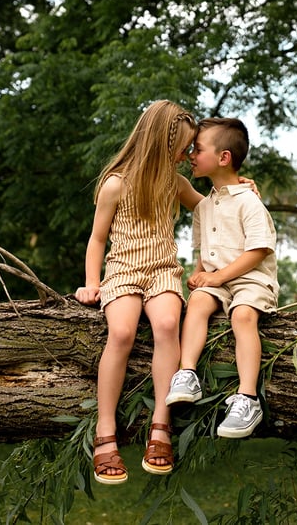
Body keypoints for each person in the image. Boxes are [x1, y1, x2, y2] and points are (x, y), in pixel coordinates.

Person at [74, 100, 201, 485]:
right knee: (123, 332)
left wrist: (237, 188)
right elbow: (97, 239)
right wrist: (92, 282)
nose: (187, 155)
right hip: (123, 271)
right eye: (182, 147)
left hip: (163, 271)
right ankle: (105, 428)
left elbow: (211, 209)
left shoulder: (175, 183)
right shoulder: (116, 183)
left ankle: (160, 425)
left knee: (166, 326)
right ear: (160, 143)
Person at [165, 117, 278, 439]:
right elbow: (204, 250)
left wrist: (219, 278)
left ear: (223, 157)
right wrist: (200, 274)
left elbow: (258, 251)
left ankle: (247, 398)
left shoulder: (249, 202)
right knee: (197, 303)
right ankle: (186, 373)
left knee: (243, 315)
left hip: (252, 279)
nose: (190, 155)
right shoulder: (203, 207)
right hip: (218, 279)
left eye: (198, 149)